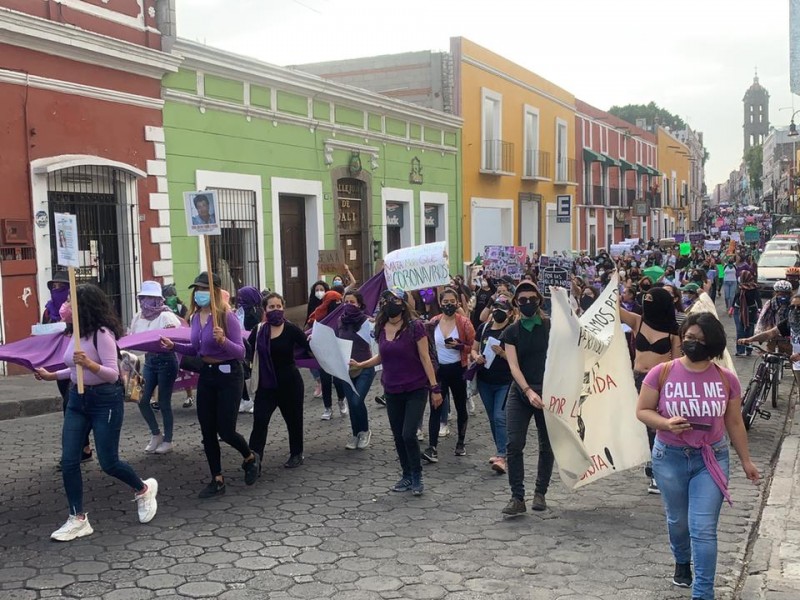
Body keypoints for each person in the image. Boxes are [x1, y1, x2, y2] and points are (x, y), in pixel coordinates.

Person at [637, 312, 759, 600]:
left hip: (711, 458)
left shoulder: (726, 379)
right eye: (689, 337)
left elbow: (734, 422)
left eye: (700, 340)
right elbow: (642, 410)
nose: (692, 344)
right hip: (669, 457)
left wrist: (746, 460)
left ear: (713, 344)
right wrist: (665, 423)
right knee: (678, 521)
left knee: (703, 528)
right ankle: (682, 559)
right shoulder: (662, 372)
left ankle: (703, 593)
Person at [34, 284, 158, 541]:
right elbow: (74, 371)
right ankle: (77, 518)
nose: (65, 306)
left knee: (109, 462)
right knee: (69, 460)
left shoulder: (102, 333)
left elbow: (113, 374)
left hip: (105, 400)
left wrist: (89, 363)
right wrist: (50, 376)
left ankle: (143, 488)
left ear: (84, 306)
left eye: (70, 302)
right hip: (77, 401)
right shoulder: (74, 334)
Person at [160, 272, 260, 498]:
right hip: (207, 374)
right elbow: (196, 350)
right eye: (197, 289)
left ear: (214, 291)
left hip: (229, 375)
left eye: (204, 289)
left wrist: (224, 340)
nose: (200, 294)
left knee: (225, 430)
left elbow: (241, 352)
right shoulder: (196, 317)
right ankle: (217, 479)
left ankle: (250, 457)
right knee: (207, 431)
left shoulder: (227, 316)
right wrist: (173, 345)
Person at [349, 288, 441, 496]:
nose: (391, 304)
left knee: (409, 434)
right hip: (391, 389)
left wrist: (435, 388)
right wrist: (362, 364)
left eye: (396, 300)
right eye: (387, 300)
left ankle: (417, 475)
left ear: (403, 304)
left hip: (416, 388)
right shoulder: (381, 327)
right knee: (398, 435)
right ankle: (406, 474)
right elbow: (382, 356)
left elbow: (425, 358)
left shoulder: (415, 327)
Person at [620, 287, 682, 494]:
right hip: (638, 379)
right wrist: (615, 284)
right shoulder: (639, 321)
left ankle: (657, 471)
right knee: (641, 425)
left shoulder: (673, 331)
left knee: (656, 427)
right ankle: (652, 463)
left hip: (661, 382)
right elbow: (614, 310)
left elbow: (677, 361)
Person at [500, 282, 553, 515]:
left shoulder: (551, 326)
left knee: (547, 444)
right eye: (522, 300)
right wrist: (527, 391)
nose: (527, 303)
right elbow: (513, 366)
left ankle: (540, 492)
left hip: (549, 393)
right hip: (521, 392)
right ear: (516, 303)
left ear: (539, 300)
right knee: (513, 444)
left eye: (532, 299)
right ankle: (517, 497)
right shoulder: (511, 332)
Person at [247, 293, 311, 469]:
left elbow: (309, 348)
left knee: (293, 420)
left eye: (278, 306)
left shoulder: (291, 329)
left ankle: (296, 454)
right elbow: (246, 351)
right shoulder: (259, 330)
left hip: (290, 383)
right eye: (271, 307)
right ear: (265, 309)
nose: (276, 310)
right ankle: (254, 458)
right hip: (266, 384)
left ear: (283, 307)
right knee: (260, 420)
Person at [44, 271, 93, 468]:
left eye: (61, 287)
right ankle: (84, 448)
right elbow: (43, 334)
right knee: (71, 407)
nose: (57, 291)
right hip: (58, 362)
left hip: (79, 363)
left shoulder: (80, 313)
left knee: (70, 405)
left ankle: (72, 453)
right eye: (54, 287)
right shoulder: (49, 311)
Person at [422, 287, 476, 462]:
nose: (449, 305)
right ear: (440, 303)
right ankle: (432, 447)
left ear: (458, 303)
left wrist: (461, 346)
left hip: (458, 369)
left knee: (460, 406)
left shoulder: (464, 323)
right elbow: (427, 347)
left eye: (452, 302)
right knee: (435, 406)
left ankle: (461, 442)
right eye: (446, 302)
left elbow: (474, 345)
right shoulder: (433, 322)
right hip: (439, 371)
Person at [128, 281, 181, 454]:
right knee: (142, 400)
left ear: (158, 299)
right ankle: (155, 434)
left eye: (150, 297)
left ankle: (168, 440)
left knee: (163, 402)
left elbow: (175, 339)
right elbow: (133, 339)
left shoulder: (167, 316)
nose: (146, 301)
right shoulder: (138, 316)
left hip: (166, 361)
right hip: (149, 361)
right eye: (143, 297)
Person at [471, 295, 514, 474]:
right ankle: (500, 450)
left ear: (510, 313)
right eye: (495, 307)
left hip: (505, 382)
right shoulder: (484, 328)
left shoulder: (512, 331)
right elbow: (473, 349)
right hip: (485, 381)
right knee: (492, 418)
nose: (498, 312)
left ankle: (503, 455)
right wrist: (476, 357)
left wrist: (503, 354)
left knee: (499, 417)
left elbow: (518, 358)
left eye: (502, 308)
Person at [333, 289, 375, 450]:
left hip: (364, 366)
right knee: (351, 402)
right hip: (347, 368)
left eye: (352, 302)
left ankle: (364, 431)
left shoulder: (366, 321)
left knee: (358, 400)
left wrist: (374, 322)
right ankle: (355, 433)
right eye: (346, 302)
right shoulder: (340, 321)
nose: (349, 305)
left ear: (359, 304)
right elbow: (334, 337)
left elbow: (377, 334)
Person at [739, 291, 800, 388]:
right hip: (797, 366)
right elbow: (770, 333)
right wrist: (750, 339)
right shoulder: (790, 322)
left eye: (799, 307)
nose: (796, 310)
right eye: (792, 307)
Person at [307, 290, 347, 419]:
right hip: (323, 351)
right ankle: (327, 407)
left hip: (336, 351)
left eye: (339, 301)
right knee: (325, 380)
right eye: (334, 302)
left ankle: (341, 401)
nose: (337, 304)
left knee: (338, 380)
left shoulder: (342, 315)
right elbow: (312, 328)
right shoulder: (319, 315)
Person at [162, 284, 194, 409]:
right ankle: (159, 398)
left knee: (184, 369)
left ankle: (189, 395)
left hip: (181, 342)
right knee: (165, 371)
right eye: (168, 296)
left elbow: (186, 323)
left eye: (172, 295)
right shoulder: (162, 309)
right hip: (167, 343)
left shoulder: (181, 308)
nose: (170, 298)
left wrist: (175, 318)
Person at [236, 286, 264, 414]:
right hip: (244, 347)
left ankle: (256, 400)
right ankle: (246, 399)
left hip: (254, 348)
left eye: (242, 297)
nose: (239, 299)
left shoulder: (255, 312)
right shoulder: (241, 311)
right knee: (241, 372)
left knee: (256, 374)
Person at [305, 280, 330, 398]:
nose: (319, 292)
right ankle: (319, 381)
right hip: (313, 332)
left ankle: (328, 380)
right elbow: (308, 318)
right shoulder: (312, 303)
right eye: (317, 290)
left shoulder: (330, 303)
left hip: (326, 334)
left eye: (321, 290)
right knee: (310, 356)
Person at [731, 271, 761, 357]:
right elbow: (736, 297)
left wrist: (759, 309)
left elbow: (758, 299)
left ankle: (748, 349)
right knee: (740, 330)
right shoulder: (739, 286)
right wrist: (732, 307)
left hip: (751, 310)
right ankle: (740, 351)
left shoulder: (754, 288)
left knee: (749, 330)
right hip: (738, 310)